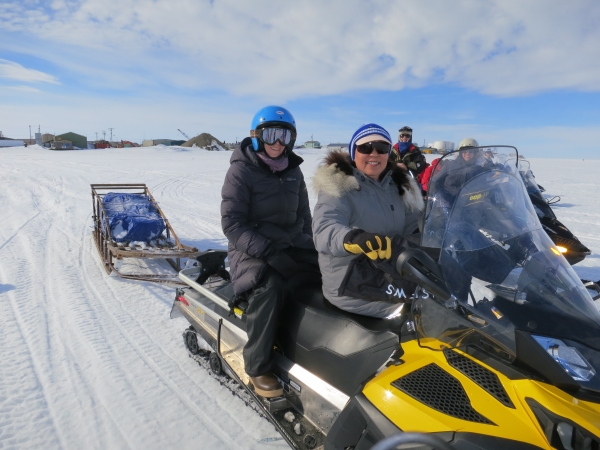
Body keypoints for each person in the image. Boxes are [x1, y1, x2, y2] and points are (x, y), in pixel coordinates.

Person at [221, 105, 318, 398]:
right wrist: (269, 252)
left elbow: (305, 218)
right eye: (271, 134)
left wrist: (313, 247)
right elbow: (232, 224)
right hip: (251, 249)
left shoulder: (293, 171)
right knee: (271, 286)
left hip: (291, 244)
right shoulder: (241, 170)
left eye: (285, 135)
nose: (278, 142)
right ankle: (258, 365)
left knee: (328, 275)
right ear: (256, 136)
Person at [312, 123, 424, 318]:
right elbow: (323, 229)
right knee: (419, 316)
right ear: (354, 152)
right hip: (352, 280)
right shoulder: (338, 184)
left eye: (381, 148)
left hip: (389, 271)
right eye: (365, 147)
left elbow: (413, 226)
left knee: (445, 303)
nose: (374, 153)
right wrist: (353, 238)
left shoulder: (397, 185)